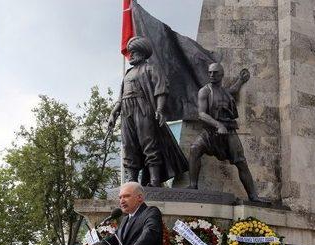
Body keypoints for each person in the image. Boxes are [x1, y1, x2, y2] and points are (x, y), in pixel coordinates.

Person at [107, 36, 188, 186]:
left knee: (148, 144)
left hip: (143, 108)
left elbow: (161, 90)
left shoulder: (151, 69)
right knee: (129, 146)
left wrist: (159, 109)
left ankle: (154, 181)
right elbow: (120, 97)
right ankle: (131, 182)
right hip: (126, 111)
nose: (130, 55)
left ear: (142, 53)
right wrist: (113, 113)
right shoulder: (128, 73)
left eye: (133, 52)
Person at [187, 63, 265, 203]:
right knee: (194, 149)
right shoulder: (204, 91)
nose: (212, 75)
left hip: (229, 132)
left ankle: (253, 196)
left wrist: (241, 79)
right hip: (210, 131)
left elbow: (233, 91)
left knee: (241, 161)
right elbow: (201, 114)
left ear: (221, 74)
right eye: (210, 72)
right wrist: (218, 125)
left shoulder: (225, 92)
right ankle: (193, 186)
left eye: (215, 73)